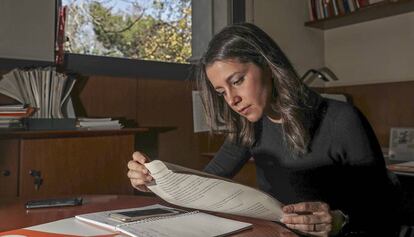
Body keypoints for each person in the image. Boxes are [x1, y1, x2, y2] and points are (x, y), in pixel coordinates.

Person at [127, 23, 402, 237]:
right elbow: (206, 183)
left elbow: (384, 212)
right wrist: (155, 179)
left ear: (268, 66)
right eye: (221, 92)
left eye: (237, 81)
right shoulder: (249, 125)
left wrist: (340, 219)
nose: (232, 100)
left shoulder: (341, 119)